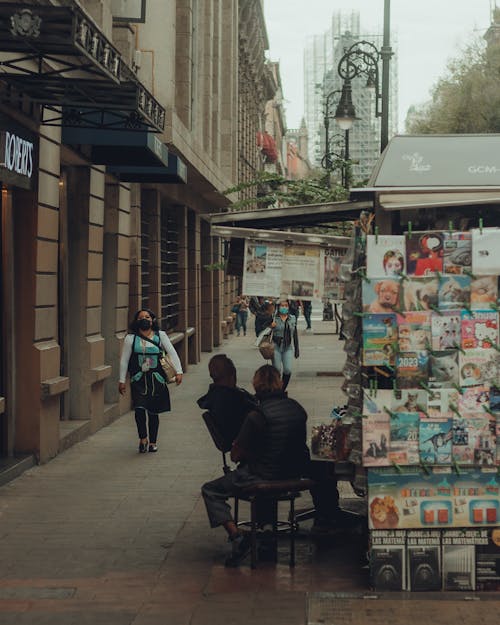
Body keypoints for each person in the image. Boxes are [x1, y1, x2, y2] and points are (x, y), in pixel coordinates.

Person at [201, 365, 310, 567]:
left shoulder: (256, 415)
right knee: (261, 474)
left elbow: (235, 455)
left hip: (264, 476)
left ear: (256, 386)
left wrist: (248, 451)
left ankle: (238, 536)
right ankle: (266, 530)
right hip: (294, 474)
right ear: (279, 383)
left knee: (210, 490)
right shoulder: (297, 408)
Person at [118, 309, 183, 453]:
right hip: (138, 379)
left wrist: (179, 371)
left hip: (156, 379)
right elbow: (124, 360)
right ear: (136, 321)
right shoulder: (131, 338)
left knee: (153, 412)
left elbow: (172, 352)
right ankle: (143, 439)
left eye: (147, 317)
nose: (144, 319)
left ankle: (153, 442)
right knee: (139, 409)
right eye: (141, 317)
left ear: (152, 320)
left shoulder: (161, 336)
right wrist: (122, 380)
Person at [197, 354, 257, 450]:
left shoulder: (214, 396)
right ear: (232, 374)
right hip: (245, 441)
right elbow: (257, 410)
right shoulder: (232, 399)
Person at [269, 299, 299, 391]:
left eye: (286, 305)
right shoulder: (273, 318)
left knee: (288, 370)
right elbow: (263, 328)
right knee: (277, 369)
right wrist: (270, 326)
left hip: (287, 347)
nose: (284, 307)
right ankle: (275, 388)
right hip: (276, 346)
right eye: (282, 305)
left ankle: (282, 389)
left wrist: (297, 349)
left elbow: (295, 334)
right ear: (278, 307)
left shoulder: (292, 318)